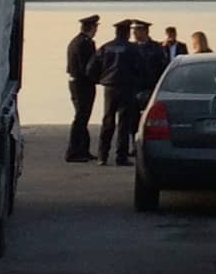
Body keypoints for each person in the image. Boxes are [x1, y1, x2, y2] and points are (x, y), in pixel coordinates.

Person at [95, 19, 143, 166]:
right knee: (124, 123)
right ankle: (121, 157)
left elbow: (92, 66)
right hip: (127, 87)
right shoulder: (133, 48)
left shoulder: (106, 47)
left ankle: (102, 156)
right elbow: (141, 67)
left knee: (108, 120)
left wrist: (100, 79)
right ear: (127, 32)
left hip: (109, 87)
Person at [64, 14, 100, 162]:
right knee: (81, 117)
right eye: (95, 27)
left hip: (76, 82)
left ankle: (83, 149)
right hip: (83, 84)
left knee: (82, 117)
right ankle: (73, 151)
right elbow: (88, 67)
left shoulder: (75, 41)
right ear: (92, 28)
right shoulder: (86, 43)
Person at [131, 19, 169, 105]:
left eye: (136, 30)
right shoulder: (131, 47)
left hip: (150, 87)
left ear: (145, 31)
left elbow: (162, 67)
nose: (134, 33)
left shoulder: (156, 47)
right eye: (133, 30)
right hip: (134, 88)